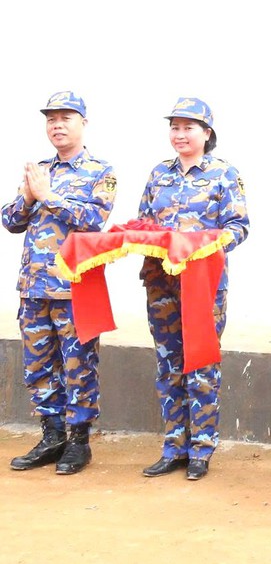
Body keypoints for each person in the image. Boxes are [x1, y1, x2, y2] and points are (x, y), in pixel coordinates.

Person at [2, 91, 116, 475]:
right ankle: (51, 436)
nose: (57, 124)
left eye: (66, 117)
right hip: (34, 286)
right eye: (51, 118)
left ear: (84, 123)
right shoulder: (40, 170)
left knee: (78, 365)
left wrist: (49, 197)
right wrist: (30, 196)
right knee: (38, 365)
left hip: (73, 288)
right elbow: (11, 220)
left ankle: (79, 441)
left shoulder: (100, 171)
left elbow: (93, 220)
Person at [138, 97, 249, 480]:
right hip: (161, 285)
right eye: (175, 127)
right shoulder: (158, 174)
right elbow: (144, 224)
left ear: (207, 133)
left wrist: (199, 242)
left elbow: (238, 228)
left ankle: (201, 448)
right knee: (168, 365)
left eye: (189, 127)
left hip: (203, 288)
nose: (180, 134)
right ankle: (174, 447)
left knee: (200, 366)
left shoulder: (224, 175)